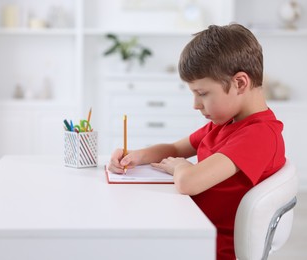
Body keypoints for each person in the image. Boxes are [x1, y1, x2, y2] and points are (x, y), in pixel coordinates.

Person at [108, 24, 286, 260]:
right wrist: (135, 155)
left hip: (211, 247)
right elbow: (173, 149)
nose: (195, 104)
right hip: (194, 229)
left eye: (202, 94)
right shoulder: (226, 122)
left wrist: (180, 166)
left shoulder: (259, 136)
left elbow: (189, 182)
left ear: (240, 83)